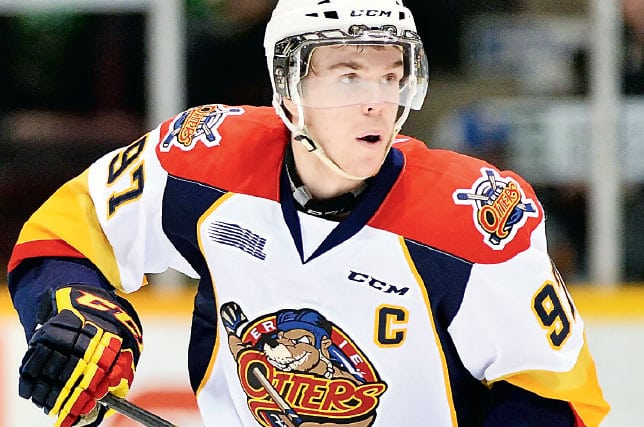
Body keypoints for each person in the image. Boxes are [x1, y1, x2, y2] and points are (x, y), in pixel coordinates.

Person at [8, 0, 610, 426]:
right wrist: (75, 314)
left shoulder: (471, 218)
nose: (378, 103)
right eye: (349, 78)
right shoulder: (203, 158)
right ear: (289, 88)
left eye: (391, 77)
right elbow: (62, 235)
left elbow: (555, 397)